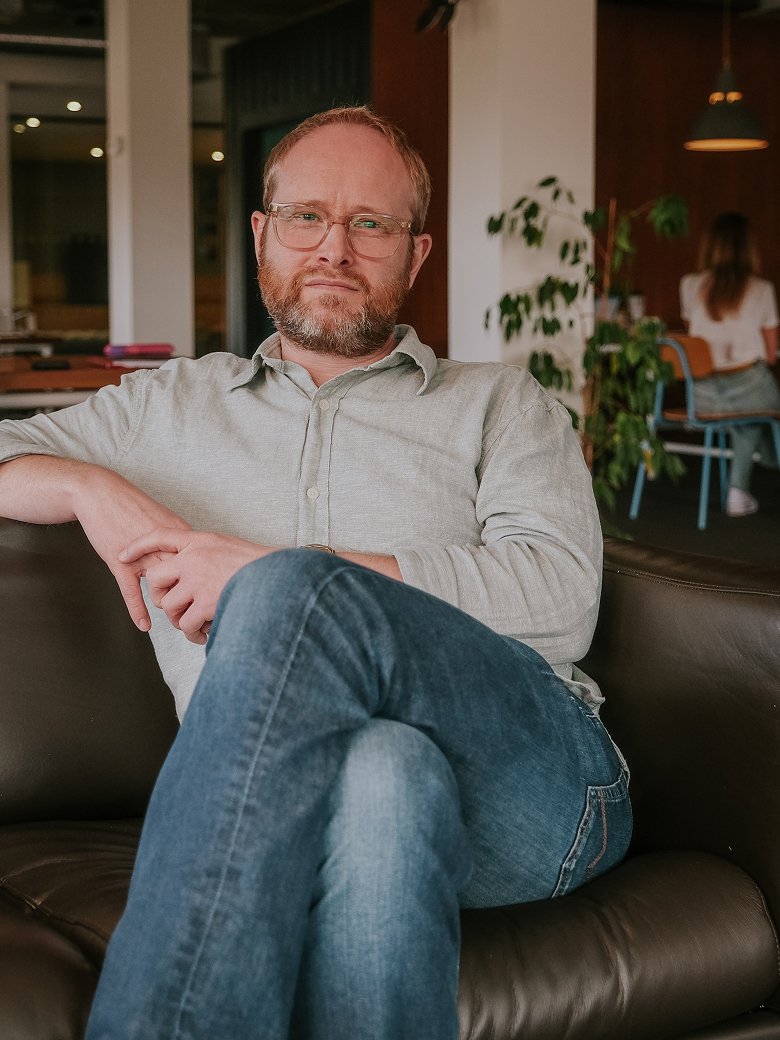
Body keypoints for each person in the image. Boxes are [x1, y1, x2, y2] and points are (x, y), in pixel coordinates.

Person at [0, 107, 631, 1040]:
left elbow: (558, 597)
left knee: (290, 587)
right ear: (262, 236)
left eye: (371, 224)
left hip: (534, 790)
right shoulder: (164, 406)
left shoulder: (500, 403)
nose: (335, 248)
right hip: (312, 799)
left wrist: (293, 573)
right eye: (307, 217)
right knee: (384, 773)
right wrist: (92, 487)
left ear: (416, 254)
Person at [680, 212, 780, 517]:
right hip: (749, 391)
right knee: (756, 412)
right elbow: (772, 355)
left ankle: (743, 486)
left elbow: (693, 346)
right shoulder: (762, 290)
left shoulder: (689, 285)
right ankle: (749, 480)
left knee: (747, 416)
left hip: (702, 396)